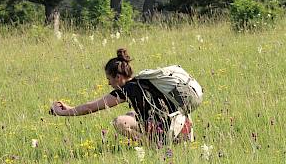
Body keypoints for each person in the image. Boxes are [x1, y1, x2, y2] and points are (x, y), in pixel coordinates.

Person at [49, 48, 195, 144]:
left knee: (119, 122)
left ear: (118, 77)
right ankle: (168, 140)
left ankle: (153, 146)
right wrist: (71, 108)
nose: (109, 84)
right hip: (183, 125)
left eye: (109, 79)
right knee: (130, 113)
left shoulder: (127, 90)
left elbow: (90, 107)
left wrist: (63, 112)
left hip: (168, 130)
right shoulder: (143, 81)